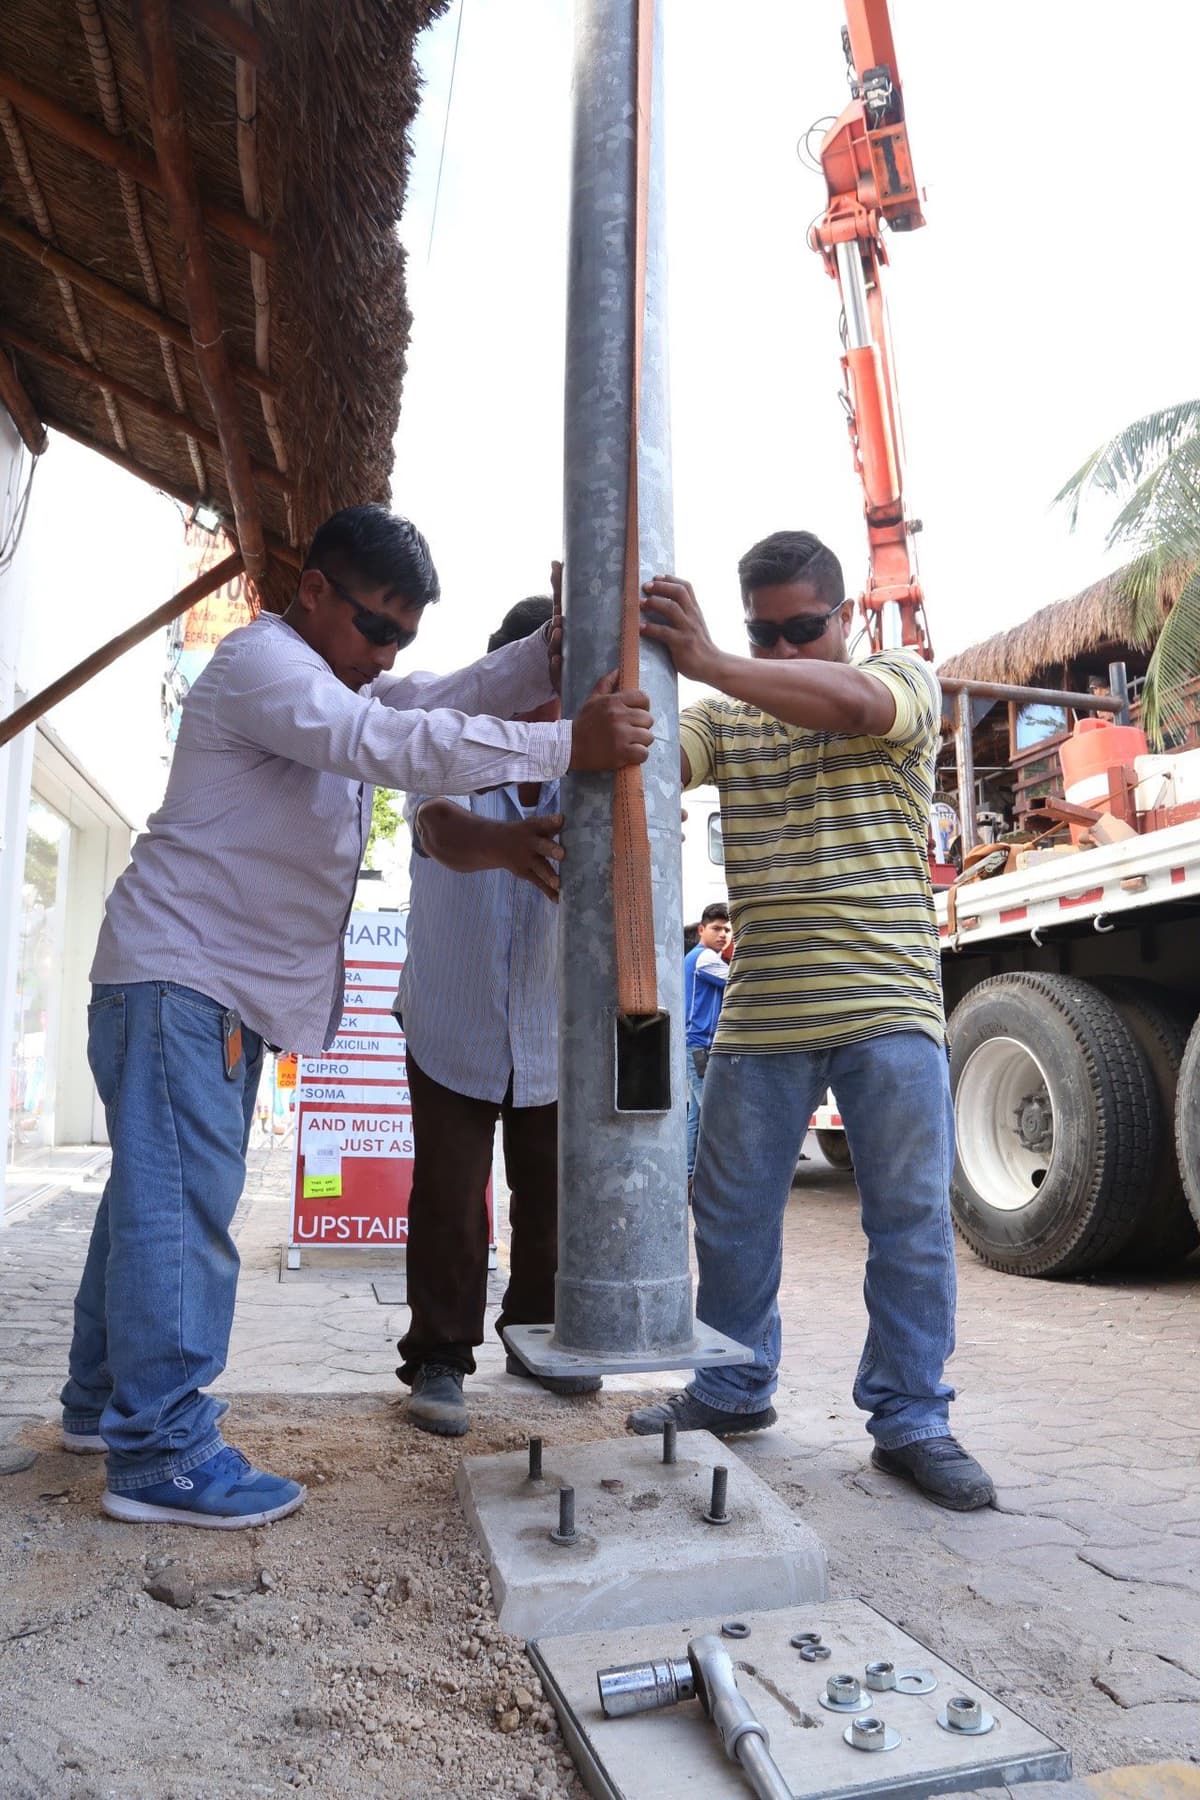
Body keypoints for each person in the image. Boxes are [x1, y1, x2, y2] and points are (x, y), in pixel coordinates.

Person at [59, 507, 653, 1529]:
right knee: (179, 1217)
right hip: (181, 982)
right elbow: (390, 738)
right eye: (374, 626)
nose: (386, 654)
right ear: (313, 592)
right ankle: (159, 1450)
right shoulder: (266, 667)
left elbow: (441, 696)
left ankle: (99, 1407)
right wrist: (569, 736)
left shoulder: (333, 679)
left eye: (403, 637)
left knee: (147, 1208)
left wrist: (545, 655)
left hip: (195, 987)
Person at [627, 529, 994, 1512]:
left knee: (910, 1224)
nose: (783, 652)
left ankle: (913, 1415)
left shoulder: (898, 676)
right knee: (732, 1213)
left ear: (845, 618)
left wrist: (711, 659)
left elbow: (860, 704)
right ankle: (735, 1386)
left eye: (801, 630)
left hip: (888, 1006)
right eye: (763, 633)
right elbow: (653, 758)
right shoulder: (729, 714)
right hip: (764, 1014)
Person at [394, 596, 600, 1435]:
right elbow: (438, 829)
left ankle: (537, 1335)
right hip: (453, 1016)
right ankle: (439, 1359)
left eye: (561, 693)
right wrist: (509, 850)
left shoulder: (593, 770)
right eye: (532, 686)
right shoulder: (450, 744)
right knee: (449, 1196)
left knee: (551, 1197)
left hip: (555, 1029)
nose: (544, 713)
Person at [683, 901, 732, 1182]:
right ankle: (713, 1180)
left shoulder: (697, 956)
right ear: (702, 929)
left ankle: (689, 1174)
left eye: (727, 929)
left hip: (694, 1045)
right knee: (715, 1115)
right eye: (716, 928)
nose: (723, 934)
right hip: (699, 1046)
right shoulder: (706, 959)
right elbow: (738, 981)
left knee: (698, 1115)